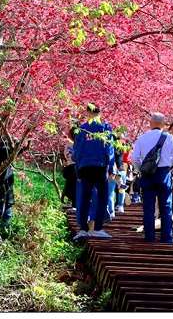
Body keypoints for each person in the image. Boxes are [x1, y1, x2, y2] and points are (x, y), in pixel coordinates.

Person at [131, 112, 173, 243]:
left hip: (147, 175)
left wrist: (141, 169)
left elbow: (135, 158)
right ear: (164, 124)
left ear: (151, 123)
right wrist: (169, 165)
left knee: (148, 207)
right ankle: (167, 238)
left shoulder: (142, 138)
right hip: (163, 174)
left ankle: (149, 237)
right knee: (166, 206)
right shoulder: (170, 138)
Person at [72, 103, 115, 241]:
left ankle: (83, 229)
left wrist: (77, 169)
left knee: (84, 198)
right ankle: (97, 228)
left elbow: (77, 151)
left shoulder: (82, 129)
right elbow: (109, 149)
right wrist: (110, 167)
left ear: (87, 113)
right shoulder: (105, 128)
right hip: (100, 166)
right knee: (102, 197)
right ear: (100, 113)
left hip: (84, 166)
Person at [61, 127, 78, 206]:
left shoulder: (68, 144)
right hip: (74, 167)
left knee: (70, 184)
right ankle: (73, 202)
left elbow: (65, 154)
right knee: (74, 185)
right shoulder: (78, 144)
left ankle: (70, 201)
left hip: (70, 166)